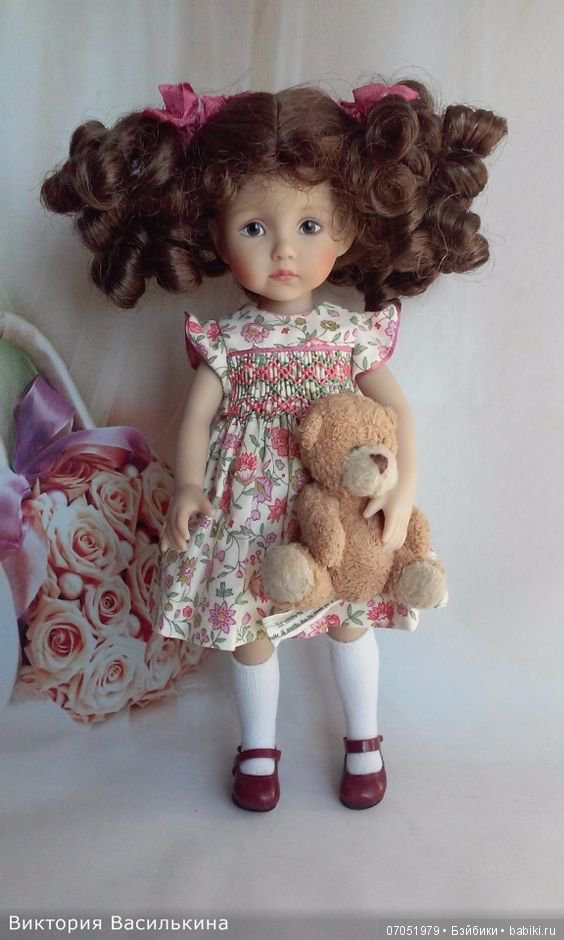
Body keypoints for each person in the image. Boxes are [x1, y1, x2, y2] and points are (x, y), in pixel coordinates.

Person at [41, 79, 507, 812]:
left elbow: (397, 412)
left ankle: (364, 739)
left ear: (347, 229)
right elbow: (196, 421)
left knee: (351, 618)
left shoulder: (347, 334)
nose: (285, 249)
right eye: (255, 227)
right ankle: (258, 747)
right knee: (249, 627)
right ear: (215, 233)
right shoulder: (227, 341)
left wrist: (403, 488)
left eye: (310, 225)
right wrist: (188, 487)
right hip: (247, 513)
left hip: (339, 507)